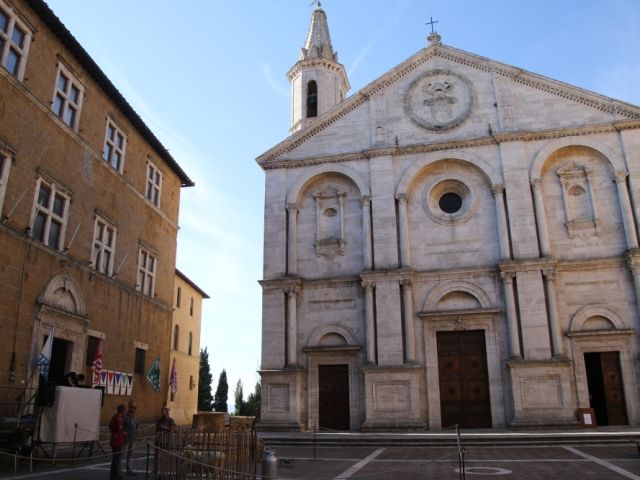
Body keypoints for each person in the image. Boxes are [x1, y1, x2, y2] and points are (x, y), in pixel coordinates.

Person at [109, 404, 127, 480]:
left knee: (115, 458)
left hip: (114, 440)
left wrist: (113, 433)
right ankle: (114, 476)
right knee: (116, 459)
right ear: (122, 411)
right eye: (124, 411)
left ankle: (114, 475)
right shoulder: (119, 419)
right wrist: (124, 433)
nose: (125, 412)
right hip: (117, 441)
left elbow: (109, 426)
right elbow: (120, 430)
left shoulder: (114, 417)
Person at [123, 400, 139, 476]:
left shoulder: (135, 417)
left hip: (133, 439)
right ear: (129, 407)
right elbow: (120, 427)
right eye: (133, 407)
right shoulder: (124, 416)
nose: (134, 409)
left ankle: (129, 470)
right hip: (126, 440)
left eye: (135, 407)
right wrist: (123, 432)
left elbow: (137, 425)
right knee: (123, 455)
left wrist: (137, 429)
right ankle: (119, 471)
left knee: (131, 455)